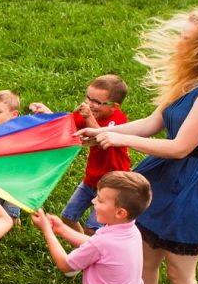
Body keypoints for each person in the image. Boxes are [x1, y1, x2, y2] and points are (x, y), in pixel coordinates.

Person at [78, 8, 198, 284]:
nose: (178, 42)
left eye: (186, 38)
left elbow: (180, 147)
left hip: (197, 182)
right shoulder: (187, 81)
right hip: (165, 178)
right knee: (146, 257)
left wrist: (121, 139)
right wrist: (105, 130)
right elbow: (153, 124)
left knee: (180, 272)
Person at [31, 75, 131, 234]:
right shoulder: (88, 113)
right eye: (88, 98)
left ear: (114, 106)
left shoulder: (118, 120)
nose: (90, 104)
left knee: (93, 229)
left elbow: (101, 139)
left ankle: (95, 253)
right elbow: (68, 126)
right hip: (91, 180)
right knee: (68, 218)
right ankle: (85, 249)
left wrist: (89, 117)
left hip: (113, 186)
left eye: (97, 102)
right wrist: (48, 114)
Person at [0, 91, 22, 221]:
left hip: (15, 180)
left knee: (11, 213)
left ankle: (15, 231)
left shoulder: (19, 134)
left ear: (14, 115)